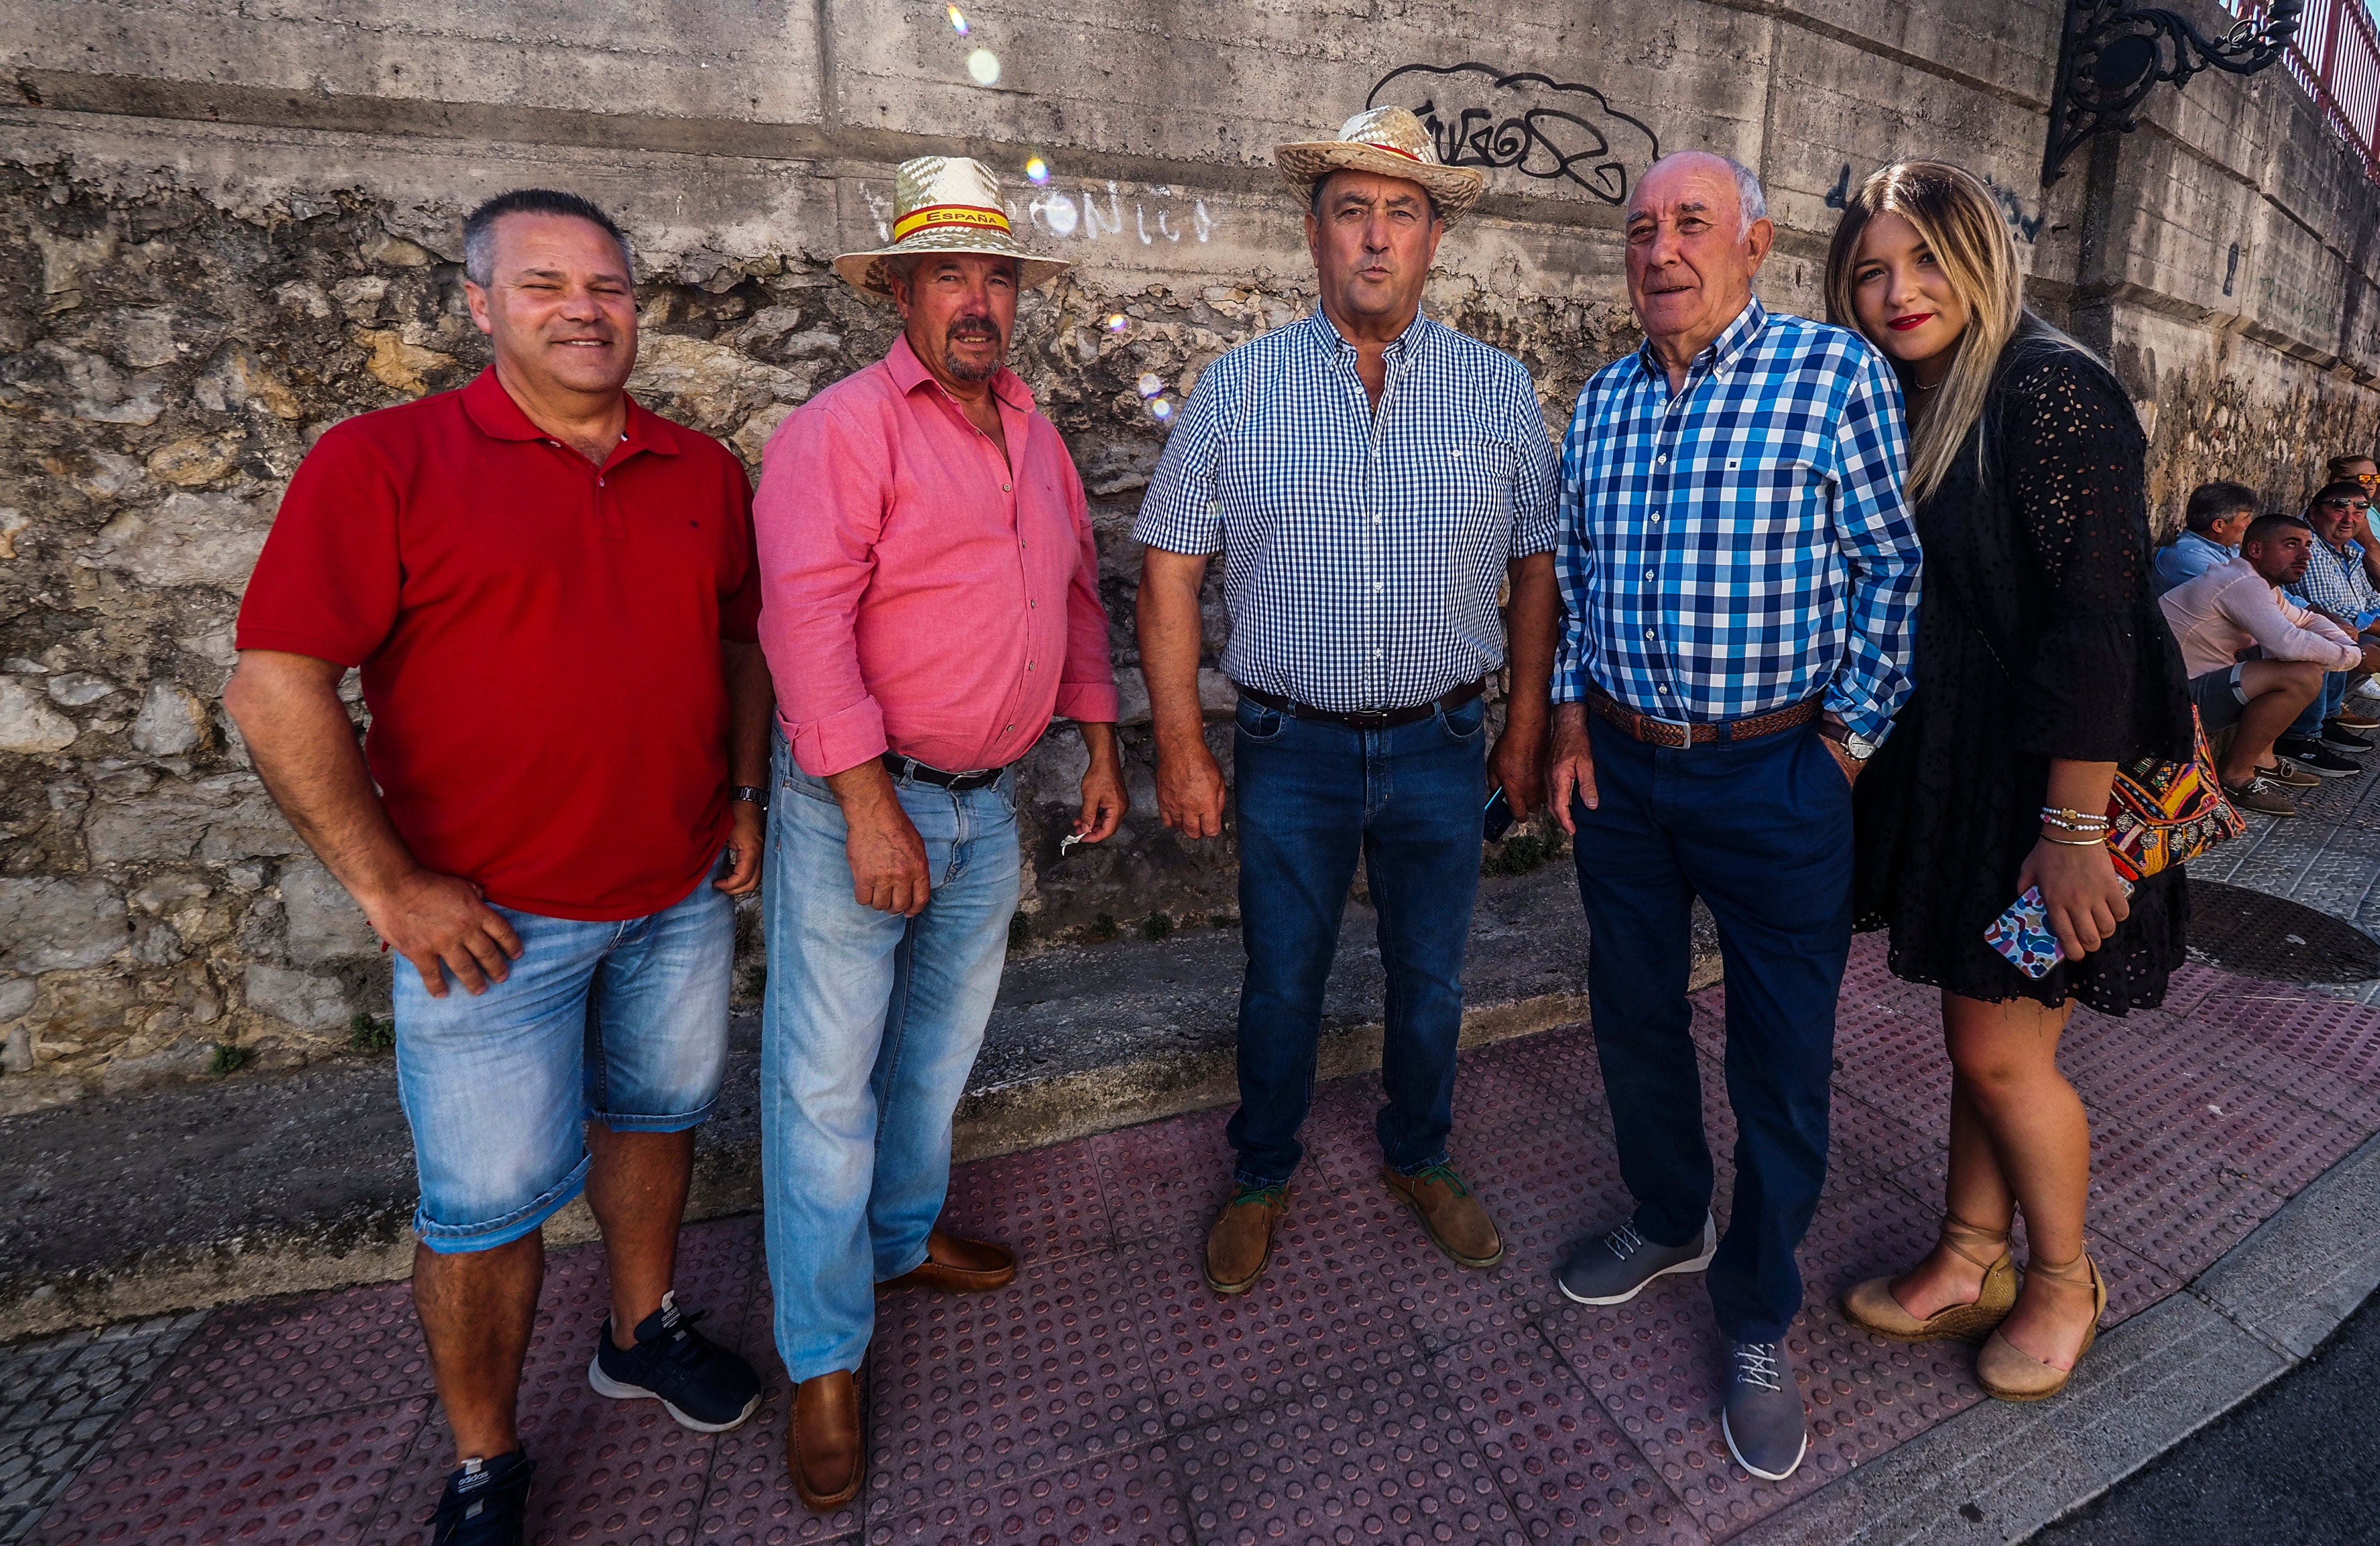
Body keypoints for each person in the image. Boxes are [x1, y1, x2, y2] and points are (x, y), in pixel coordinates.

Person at [225, 189, 768, 1546]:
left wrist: (747, 793)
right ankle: (484, 1459)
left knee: (655, 1118)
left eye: (608, 286)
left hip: (678, 891)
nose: (586, 309)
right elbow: (274, 683)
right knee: (480, 1211)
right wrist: (387, 882)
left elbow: (739, 647)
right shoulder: (383, 461)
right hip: (488, 924)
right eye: (544, 285)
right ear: (479, 307)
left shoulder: (700, 470)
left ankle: (641, 1330)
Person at [1538, 150, 1922, 1481]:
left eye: (1690, 225)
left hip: (1776, 779)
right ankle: (1668, 1213)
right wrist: (1571, 709)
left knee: (1778, 1055)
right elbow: (1577, 575)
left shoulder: (1834, 378)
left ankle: (1756, 1313)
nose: (1660, 251)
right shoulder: (1600, 401)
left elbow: (1890, 569)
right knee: (1630, 1007)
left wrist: (1844, 740)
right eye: (1641, 230)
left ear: (1753, 243)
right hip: (1629, 776)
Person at [1136, 106, 1562, 1297]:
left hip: (1442, 743)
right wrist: (1180, 742)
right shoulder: (1238, 388)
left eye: (1403, 214)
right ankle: (1261, 1169)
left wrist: (1525, 721)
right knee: (1282, 978)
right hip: (1291, 748)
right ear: (1314, 235)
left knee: (1431, 981)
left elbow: (1537, 563)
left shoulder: (1498, 392)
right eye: (1351, 212)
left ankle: (1420, 1152)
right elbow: (1168, 564)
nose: (1376, 239)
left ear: (1436, 240)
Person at [753, 155, 1125, 1511]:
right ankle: (822, 1360)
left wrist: (1093, 738)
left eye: (995, 275)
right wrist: (864, 807)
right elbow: (800, 630)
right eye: (948, 274)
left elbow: (1077, 593)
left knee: (936, 1058)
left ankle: (901, 1241)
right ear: (900, 290)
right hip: (873, 801)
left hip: (989, 804)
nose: (977, 300)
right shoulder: (841, 432)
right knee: (821, 1087)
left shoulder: (1031, 426)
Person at [1828, 161, 2205, 1407]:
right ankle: (1969, 1254)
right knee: (1979, 1032)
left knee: (2004, 1055)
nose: (1897, 292)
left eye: (1927, 261)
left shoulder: (2049, 394)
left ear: (1983, 260)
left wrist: (2074, 829)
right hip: (1977, 776)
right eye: (1872, 271)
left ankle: (2063, 1278)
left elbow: (2100, 620)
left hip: (2059, 786)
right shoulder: (1920, 392)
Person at [2160, 514, 2377, 812]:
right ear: (2256, 550)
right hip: (2172, 701)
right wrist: (2357, 656)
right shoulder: (2240, 584)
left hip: (2194, 686)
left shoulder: (2261, 585)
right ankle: (2236, 776)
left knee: (2303, 661)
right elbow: (2287, 642)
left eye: (2308, 546)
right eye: (2291, 545)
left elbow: (2307, 619)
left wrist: (2348, 646)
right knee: (2301, 673)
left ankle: (2264, 758)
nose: (2305, 556)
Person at [2285, 479, 2380, 752]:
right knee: (2338, 636)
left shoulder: (2349, 549)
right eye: (2340, 510)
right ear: (2315, 513)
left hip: (2333, 625)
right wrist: (2374, 625)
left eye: (2359, 512)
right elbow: (2327, 606)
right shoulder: (2310, 547)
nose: (2350, 519)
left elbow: (2367, 597)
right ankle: (2303, 736)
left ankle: (2329, 713)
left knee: (2347, 634)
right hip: (2307, 629)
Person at [2152, 480, 2258, 595]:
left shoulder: (2229, 549)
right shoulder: (2191, 557)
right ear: (2219, 526)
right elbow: (2247, 598)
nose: (2250, 523)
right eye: (2245, 518)